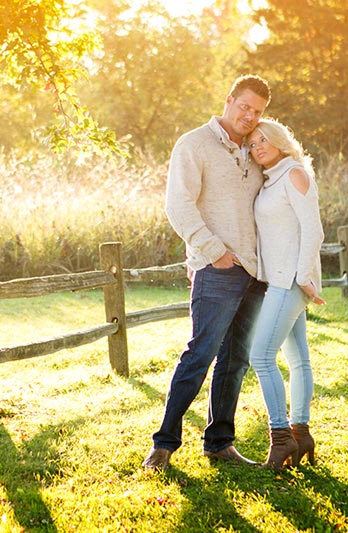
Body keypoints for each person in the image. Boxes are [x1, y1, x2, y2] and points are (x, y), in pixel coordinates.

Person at [142, 74, 271, 470]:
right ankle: (163, 445)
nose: (249, 116)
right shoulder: (194, 144)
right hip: (217, 268)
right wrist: (214, 252)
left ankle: (219, 443)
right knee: (199, 355)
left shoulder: (255, 149)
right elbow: (178, 205)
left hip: (254, 273)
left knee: (235, 361)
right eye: (244, 106)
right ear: (229, 99)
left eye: (258, 112)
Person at [246, 118, 325, 470]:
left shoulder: (294, 173)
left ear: (280, 140)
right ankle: (301, 431)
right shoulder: (272, 178)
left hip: (290, 281)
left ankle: (281, 439)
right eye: (252, 143)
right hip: (279, 279)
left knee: (260, 357)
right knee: (298, 359)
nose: (257, 146)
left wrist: (305, 276)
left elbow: (314, 230)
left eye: (263, 139)